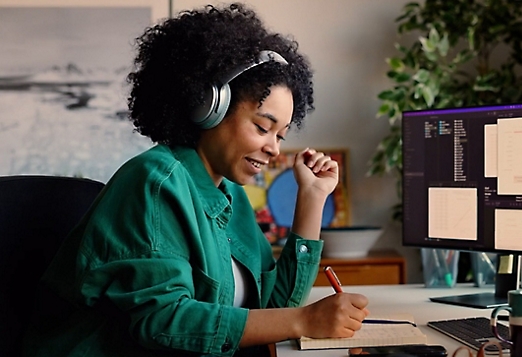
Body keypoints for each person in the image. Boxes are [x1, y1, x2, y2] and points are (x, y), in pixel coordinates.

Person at [22, 4, 369, 356]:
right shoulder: (155, 182)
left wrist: (311, 199)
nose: (274, 149)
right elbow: (163, 322)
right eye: (263, 127)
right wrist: (303, 321)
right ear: (209, 106)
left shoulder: (228, 192)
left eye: (280, 135)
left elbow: (272, 310)